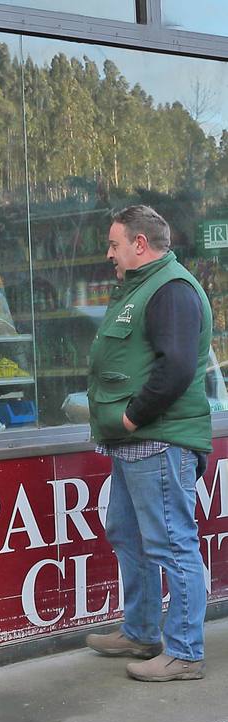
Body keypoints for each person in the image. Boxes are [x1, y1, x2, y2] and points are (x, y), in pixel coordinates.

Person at [84, 205, 211, 682]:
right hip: (135, 444)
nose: (109, 253)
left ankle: (183, 652)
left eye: (115, 244)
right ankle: (140, 631)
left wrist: (132, 417)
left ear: (140, 244)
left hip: (157, 441)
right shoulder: (145, 286)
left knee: (172, 544)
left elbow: (176, 367)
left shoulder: (171, 289)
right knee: (127, 533)